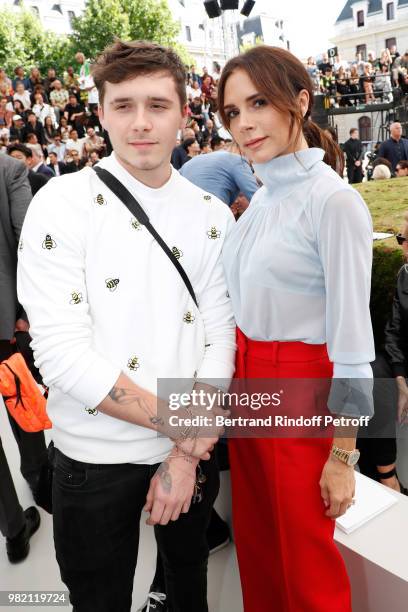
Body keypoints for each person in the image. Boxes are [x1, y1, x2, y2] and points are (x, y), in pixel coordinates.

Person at [17, 39, 235, 612]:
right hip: (92, 460)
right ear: (102, 111)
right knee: (98, 599)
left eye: (158, 105)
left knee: (187, 590)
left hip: (188, 453)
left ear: (185, 114)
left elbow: (220, 338)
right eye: (124, 105)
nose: (141, 123)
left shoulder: (212, 215)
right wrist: (185, 432)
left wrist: (186, 457)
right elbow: (62, 354)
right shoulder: (60, 204)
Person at [218, 45, 374, 612]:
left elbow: (355, 346)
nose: (245, 123)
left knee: (305, 560)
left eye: (259, 102)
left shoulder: (333, 202)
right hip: (248, 383)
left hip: (303, 392)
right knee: (258, 546)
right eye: (233, 112)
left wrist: (343, 456)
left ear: (300, 102)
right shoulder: (261, 199)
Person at [0, 154, 45, 563]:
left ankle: (13, 530)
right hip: (6, 321)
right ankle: (38, 478)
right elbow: (27, 242)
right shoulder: (8, 169)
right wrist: (26, 311)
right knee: (20, 400)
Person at [357, 212, 408, 494]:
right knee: (370, 375)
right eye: (401, 238)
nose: (402, 246)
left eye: (405, 239)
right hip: (402, 361)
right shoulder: (405, 275)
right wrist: (400, 378)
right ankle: (383, 475)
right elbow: (394, 330)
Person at [180, 142, 259, 206]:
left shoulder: (192, 161)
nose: (251, 168)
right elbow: (256, 197)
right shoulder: (238, 160)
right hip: (211, 211)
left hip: (182, 211)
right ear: (243, 150)